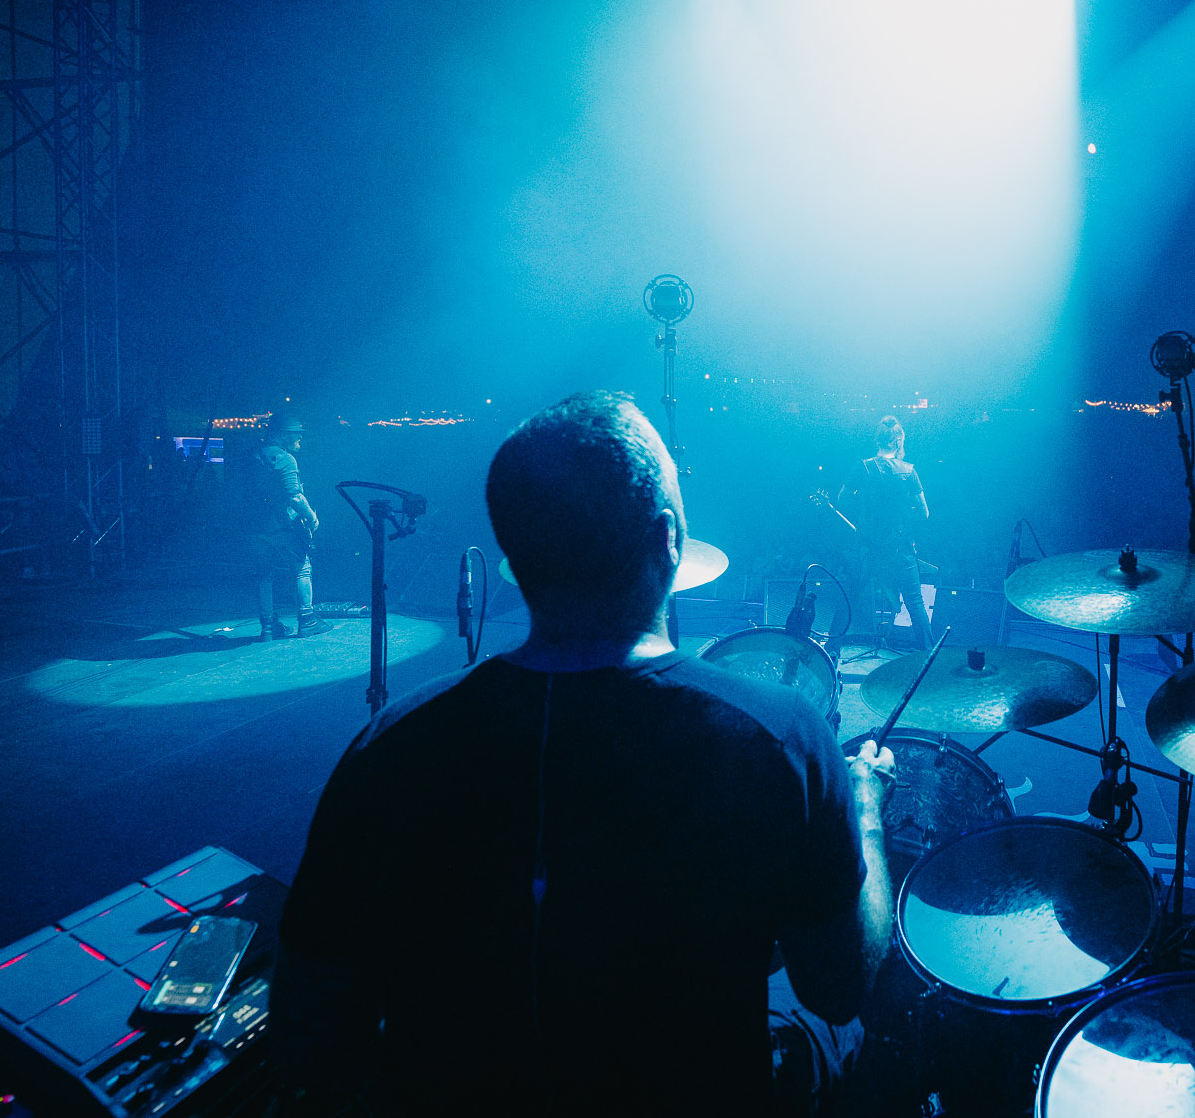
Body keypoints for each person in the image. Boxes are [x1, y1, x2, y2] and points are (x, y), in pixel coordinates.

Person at [274, 392, 896, 1115]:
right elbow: (840, 983)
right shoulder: (779, 738)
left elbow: (306, 1033)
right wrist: (866, 806)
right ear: (668, 541)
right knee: (833, 1032)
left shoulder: (387, 748)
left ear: (515, 556)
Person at [828, 415, 931, 650]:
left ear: (879, 440)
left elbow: (842, 499)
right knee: (915, 603)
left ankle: (828, 655)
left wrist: (864, 507)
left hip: (868, 547)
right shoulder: (909, 471)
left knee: (850, 600)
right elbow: (924, 513)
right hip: (900, 548)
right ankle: (929, 662)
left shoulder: (862, 467)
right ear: (898, 442)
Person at [247, 416, 330, 640]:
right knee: (301, 568)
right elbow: (294, 496)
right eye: (296, 433)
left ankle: (268, 628)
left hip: (255, 526)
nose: (300, 438)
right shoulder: (286, 459)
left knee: (264, 574)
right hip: (283, 526)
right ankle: (307, 620)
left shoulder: (253, 456)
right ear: (283, 434)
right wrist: (312, 517)